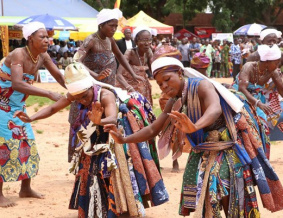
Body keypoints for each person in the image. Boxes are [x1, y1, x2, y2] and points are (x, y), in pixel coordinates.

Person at [104, 53, 283, 217]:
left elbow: (215, 109)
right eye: (160, 84)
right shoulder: (174, 101)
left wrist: (194, 126)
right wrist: (124, 139)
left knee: (222, 188)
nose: (164, 86)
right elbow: (153, 129)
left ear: (180, 73)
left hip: (229, 147)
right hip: (204, 150)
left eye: (167, 79)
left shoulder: (202, 85)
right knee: (208, 196)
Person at [15, 62, 169, 217]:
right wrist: (31, 117)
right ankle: (98, 205)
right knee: (91, 163)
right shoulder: (77, 94)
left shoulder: (105, 95)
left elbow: (112, 118)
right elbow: (53, 108)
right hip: (95, 125)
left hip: (118, 127)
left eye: (84, 96)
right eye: (77, 99)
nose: (82, 101)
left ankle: (125, 205)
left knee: (116, 165)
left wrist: (99, 122)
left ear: (91, 88)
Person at [0, 21, 65, 207]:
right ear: (30, 39)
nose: (47, 40)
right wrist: (48, 93)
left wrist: (74, 91)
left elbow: (58, 76)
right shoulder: (18, 54)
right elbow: (17, 84)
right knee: (4, 146)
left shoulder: (42, 56)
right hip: (1, 105)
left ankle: (25, 188)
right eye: (42, 37)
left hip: (17, 105)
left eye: (47, 37)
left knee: (27, 142)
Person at [70, 8, 144, 162]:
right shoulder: (91, 40)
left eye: (116, 26)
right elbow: (76, 60)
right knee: (88, 124)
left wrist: (133, 73)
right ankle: (83, 161)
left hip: (108, 89)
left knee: (106, 122)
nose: (114, 29)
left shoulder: (110, 40)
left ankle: (103, 160)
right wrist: (96, 75)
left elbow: (120, 56)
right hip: (91, 91)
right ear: (101, 25)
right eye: (111, 26)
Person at [234, 44, 283, 160]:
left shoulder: (273, 71)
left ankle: (262, 159)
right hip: (239, 97)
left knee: (263, 126)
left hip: (256, 99)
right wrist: (258, 103)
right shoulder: (249, 66)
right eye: (276, 62)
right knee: (243, 123)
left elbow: (282, 89)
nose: (278, 65)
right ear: (267, 61)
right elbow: (242, 88)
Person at [247, 28, 283, 161]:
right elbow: (243, 81)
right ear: (261, 41)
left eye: (274, 41)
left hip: (274, 96)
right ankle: (258, 158)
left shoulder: (282, 56)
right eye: (268, 41)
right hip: (255, 97)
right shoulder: (253, 57)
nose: (271, 43)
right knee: (255, 125)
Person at [116, 26, 154, 105]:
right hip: (126, 85)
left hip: (142, 84)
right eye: (143, 40)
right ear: (136, 41)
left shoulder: (149, 52)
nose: (147, 43)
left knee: (143, 108)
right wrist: (129, 88)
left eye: (149, 40)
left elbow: (153, 70)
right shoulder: (130, 53)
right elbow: (119, 75)